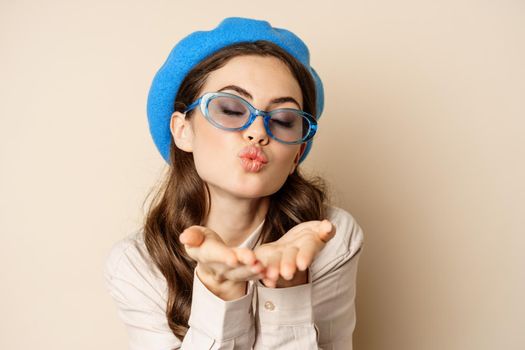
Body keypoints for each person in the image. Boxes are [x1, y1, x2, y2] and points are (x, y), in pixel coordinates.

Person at [104, 17, 364, 349]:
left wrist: (286, 289)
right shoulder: (136, 264)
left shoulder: (332, 240)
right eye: (230, 109)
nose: (257, 132)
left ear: (298, 152)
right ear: (183, 130)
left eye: (283, 120)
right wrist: (220, 290)